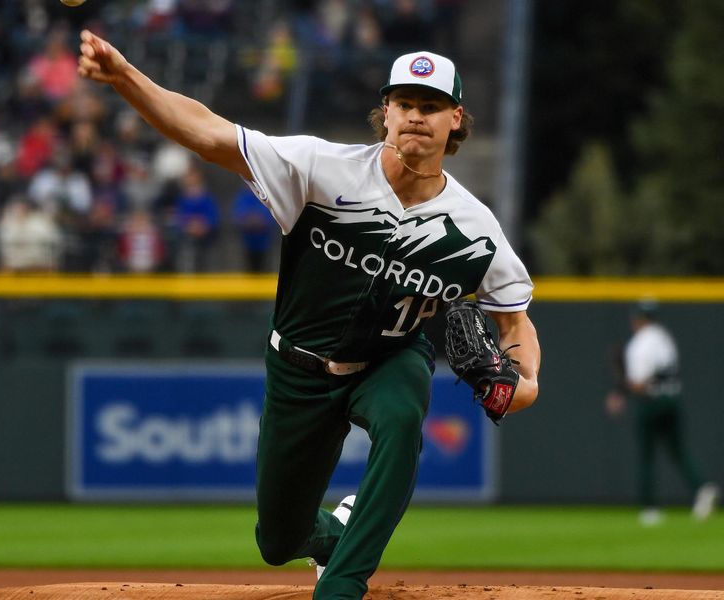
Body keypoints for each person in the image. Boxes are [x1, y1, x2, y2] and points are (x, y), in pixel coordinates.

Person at [77, 35, 540, 599]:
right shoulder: (325, 169)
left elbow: (515, 320)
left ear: (456, 119)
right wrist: (125, 76)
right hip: (298, 366)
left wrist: (525, 382)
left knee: (400, 422)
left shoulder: (475, 227)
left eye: (432, 106)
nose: (417, 117)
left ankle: (342, 585)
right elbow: (207, 133)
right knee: (277, 540)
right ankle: (336, 533)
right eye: (406, 104)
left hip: (389, 359)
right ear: (386, 113)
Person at [606, 300, 719, 526]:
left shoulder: (640, 343)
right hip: (672, 399)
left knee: (647, 455)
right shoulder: (664, 337)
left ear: (638, 319)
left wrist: (621, 388)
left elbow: (639, 384)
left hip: (652, 402)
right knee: (678, 451)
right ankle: (702, 487)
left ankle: (650, 509)